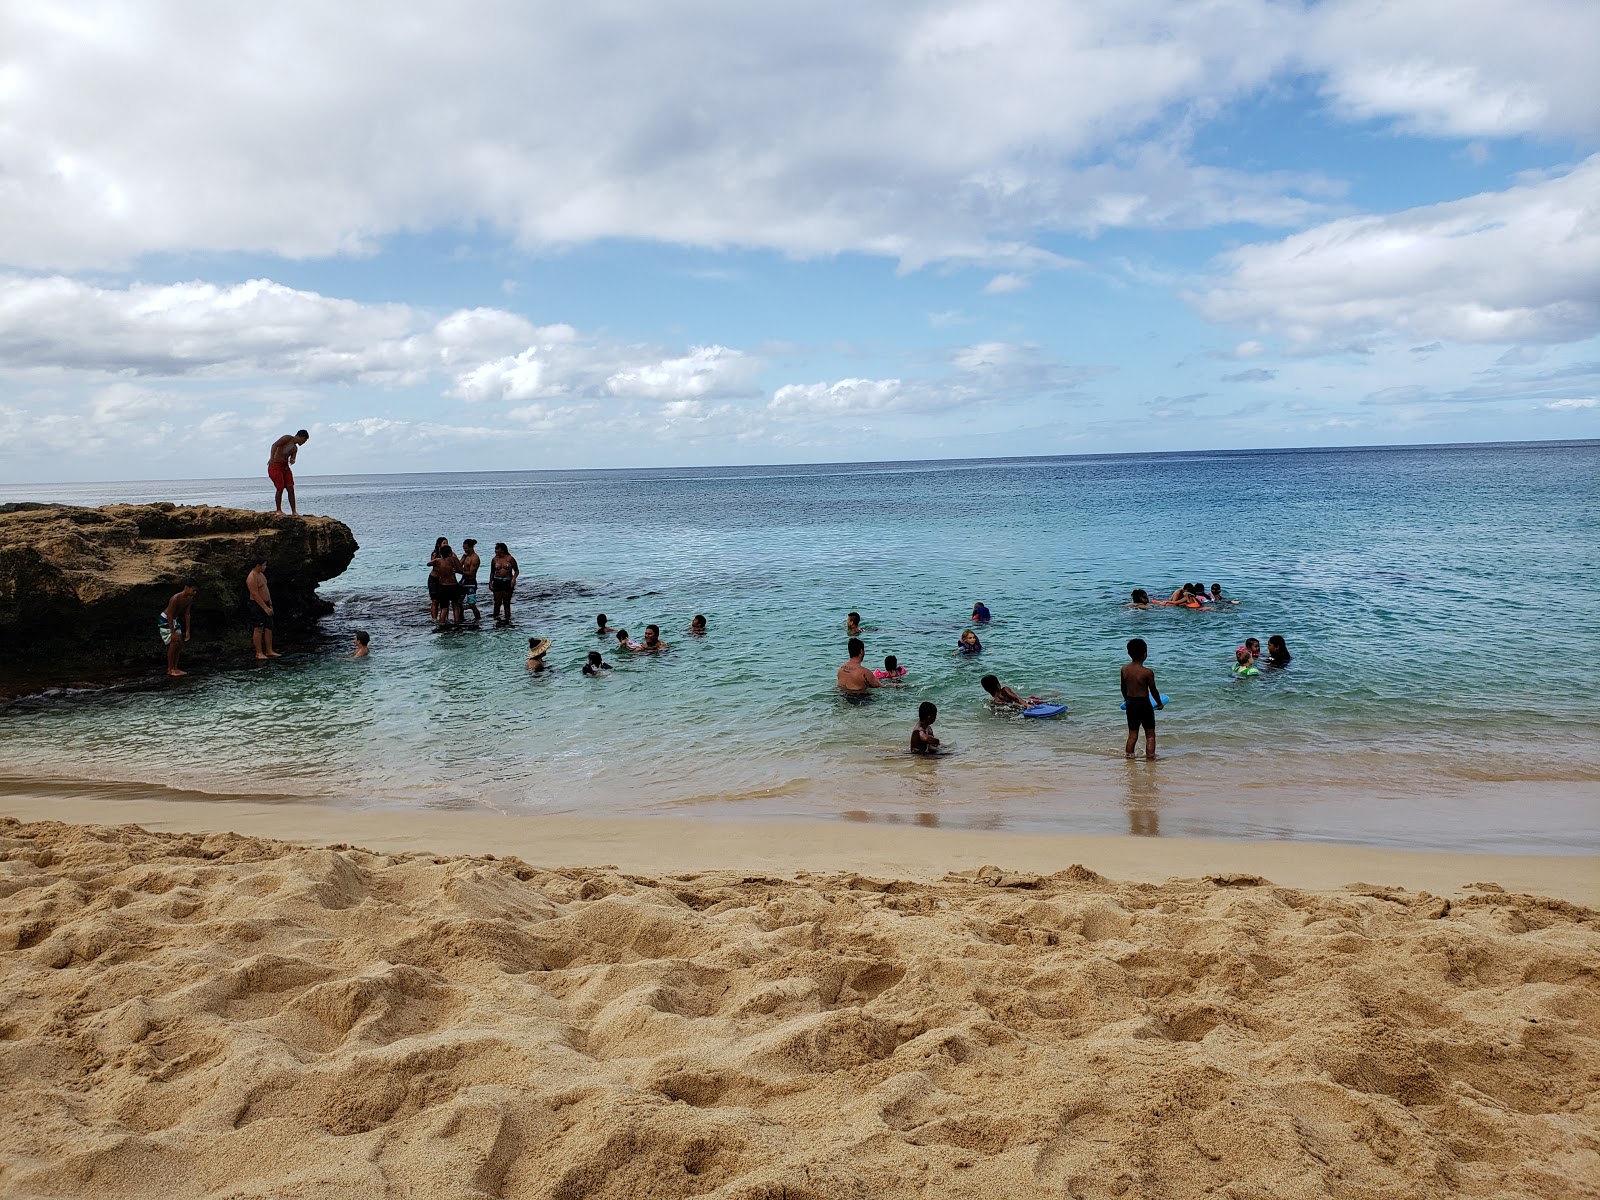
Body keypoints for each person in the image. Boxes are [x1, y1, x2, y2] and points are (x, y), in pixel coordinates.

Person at [1120, 637, 1163, 760]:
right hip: (1144, 703)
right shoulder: (1147, 672)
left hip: (1131, 703)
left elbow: (1123, 687)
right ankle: (1150, 758)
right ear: (1145, 654)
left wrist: (1126, 700)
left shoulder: (1124, 669)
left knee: (1132, 734)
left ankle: (1129, 758)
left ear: (1129, 653)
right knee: (1150, 734)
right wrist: (1159, 703)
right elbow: (1153, 690)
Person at [160, 581, 198, 677]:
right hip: (166, 619)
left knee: (179, 643)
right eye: (193, 590)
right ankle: (170, 669)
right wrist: (172, 632)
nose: (194, 593)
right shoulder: (176, 598)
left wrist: (188, 630)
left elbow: (187, 614)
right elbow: (169, 614)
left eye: (196, 591)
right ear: (186, 587)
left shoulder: (190, 599)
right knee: (173, 642)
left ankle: (175, 667)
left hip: (174, 620)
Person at [245, 556, 280, 660]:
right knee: (258, 628)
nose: (265, 567)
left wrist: (270, 605)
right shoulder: (252, 577)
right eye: (264, 565)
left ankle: (269, 650)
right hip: (257, 605)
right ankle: (259, 652)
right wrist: (265, 608)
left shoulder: (261, 575)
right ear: (258, 565)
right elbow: (255, 594)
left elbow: (266, 590)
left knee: (269, 627)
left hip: (266, 603)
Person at [268, 430, 309, 515]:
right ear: (301, 437)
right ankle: (278, 510)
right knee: (280, 487)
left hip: (285, 467)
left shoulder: (295, 448)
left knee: (290, 487)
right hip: (275, 465)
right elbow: (274, 445)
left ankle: (294, 511)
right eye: (304, 441)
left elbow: (293, 457)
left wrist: (292, 460)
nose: (304, 443)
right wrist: (272, 458)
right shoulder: (287, 438)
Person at [430, 541, 462, 626]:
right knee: (455, 606)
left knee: (444, 608)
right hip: (453, 585)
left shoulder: (438, 561)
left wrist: (436, 561)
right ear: (450, 553)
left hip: (443, 586)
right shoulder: (453, 559)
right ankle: (456, 622)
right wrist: (454, 569)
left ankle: (441, 623)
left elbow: (428, 564)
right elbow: (460, 570)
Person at [489, 543, 519, 623]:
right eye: (495, 549)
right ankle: (495, 619)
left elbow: (516, 570)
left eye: (497, 549)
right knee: (497, 602)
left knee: (506, 603)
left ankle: (507, 619)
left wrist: (514, 579)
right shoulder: (494, 559)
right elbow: (492, 572)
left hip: (507, 581)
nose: (495, 551)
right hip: (497, 581)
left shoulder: (510, 558)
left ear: (502, 550)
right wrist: (490, 583)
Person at [457, 539, 482, 624]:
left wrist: (459, 571)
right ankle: (461, 619)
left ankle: (478, 619)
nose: (465, 550)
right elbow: (459, 565)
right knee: (458, 602)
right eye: (464, 548)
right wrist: (463, 557)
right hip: (463, 581)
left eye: (466, 548)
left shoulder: (475, 558)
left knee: (471, 604)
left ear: (471, 547)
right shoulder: (466, 556)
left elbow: (471, 573)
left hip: (471, 582)